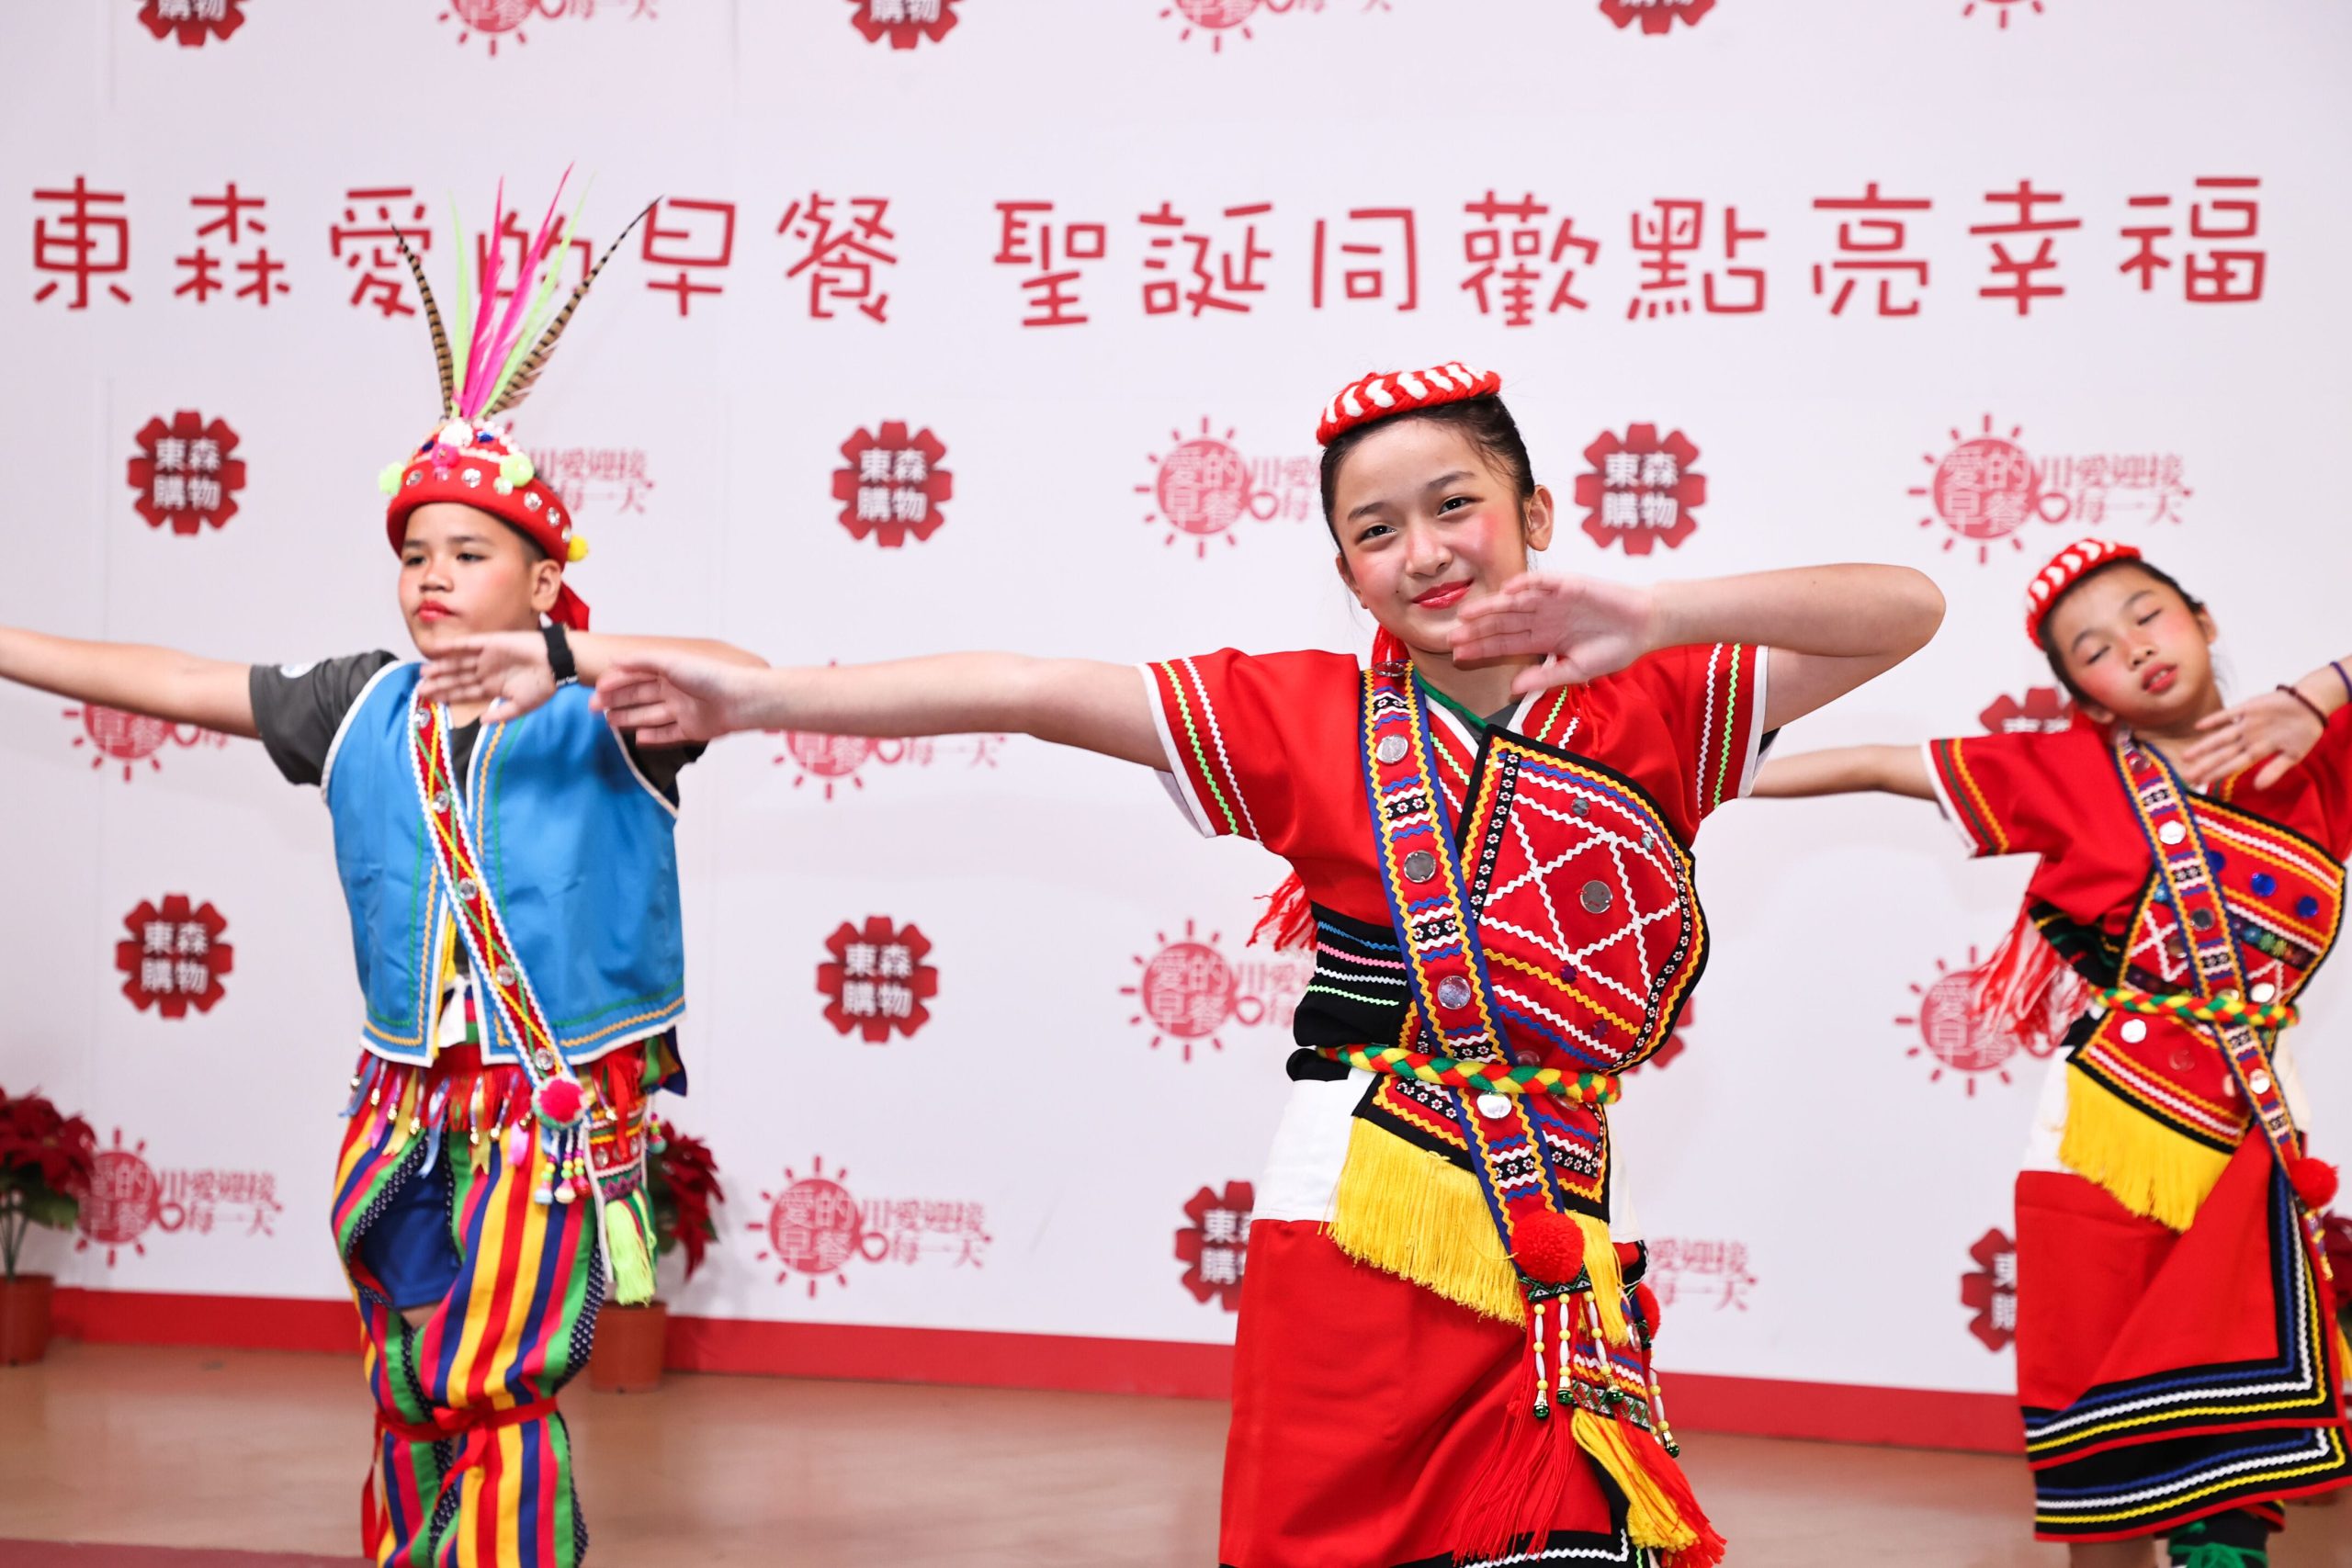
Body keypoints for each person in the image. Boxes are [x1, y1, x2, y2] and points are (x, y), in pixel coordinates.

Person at [446, 362, 1942, 1567]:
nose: (1421, 549)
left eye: (1455, 503)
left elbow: (1906, 608)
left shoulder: (1664, 697)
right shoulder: (1295, 716)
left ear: (1535, 511)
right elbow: (1032, 690)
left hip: (1561, 1206)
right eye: (1374, 528)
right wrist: (761, 698)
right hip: (1371, 1191)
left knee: (1566, 1534)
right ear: (1343, 567)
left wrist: (1661, 610)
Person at [0, 179, 763, 1567]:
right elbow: (172, 678)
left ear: (543, 582)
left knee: (495, 1375)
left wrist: (580, 664)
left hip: (550, 1110)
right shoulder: (357, 706)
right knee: (405, 1365)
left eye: (470, 551)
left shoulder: (615, 710)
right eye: (414, 551)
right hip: (401, 1097)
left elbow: (751, 682)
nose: (431, 574)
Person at [1751, 537, 2352, 1567]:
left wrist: (2320, 692)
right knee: (2095, 1405)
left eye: (2147, 614)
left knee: (2231, 1392)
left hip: (2248, 1129)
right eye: (2094, 648)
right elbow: (1875, 765)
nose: (2133, 646)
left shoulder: (2308, 755)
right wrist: (1684, 770)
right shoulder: (2067, 769)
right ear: (2084, 693)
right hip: (2103, 1130)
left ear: (2202, 621)